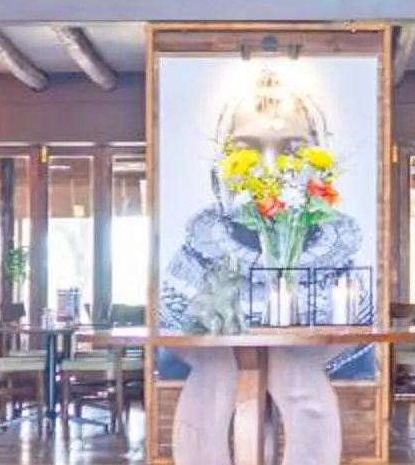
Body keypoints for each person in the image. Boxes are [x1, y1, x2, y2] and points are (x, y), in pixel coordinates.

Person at [158, 67, 374, 332]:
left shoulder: (345, 275)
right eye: (245, 151)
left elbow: (360, 351)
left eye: (293, 151)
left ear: (323, 173)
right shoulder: (188, 271)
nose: (270, 170)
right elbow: (173, 350)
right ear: (216, 178)